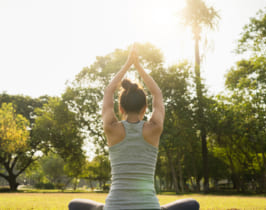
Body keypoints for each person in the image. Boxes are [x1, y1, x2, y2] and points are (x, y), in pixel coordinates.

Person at [68, 44, 200, 210]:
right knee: (193, 204)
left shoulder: (111, 128)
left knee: (74, 205)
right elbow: (157, 93)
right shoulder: (154, 128)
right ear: (145, 108)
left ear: (121, 108)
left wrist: (128, 63)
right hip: (149, 207)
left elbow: (109, 91)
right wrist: (138, 66)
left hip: (114, 207)